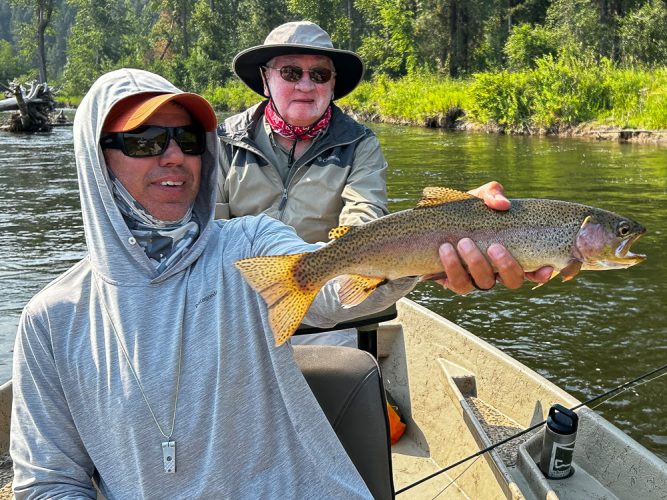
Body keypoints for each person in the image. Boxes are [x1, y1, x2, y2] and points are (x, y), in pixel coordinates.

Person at [10, 68, 417, 498]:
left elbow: (334, 290)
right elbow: (49, 482)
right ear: (96, 159)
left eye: (187, 140)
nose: (173, 156)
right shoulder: (51, 319)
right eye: (145, 140)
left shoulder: (250, 244)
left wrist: (433, 243)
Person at [215, 21, 552, 346]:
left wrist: (448, 228)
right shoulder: (224, 140)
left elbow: (364, 223)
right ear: (265, 79)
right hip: (231, 313)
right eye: (290, 72)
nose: (305, 85)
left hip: (332, 311)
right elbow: (206, 237)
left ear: (332, 85)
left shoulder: (359, 144)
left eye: (319, 74)